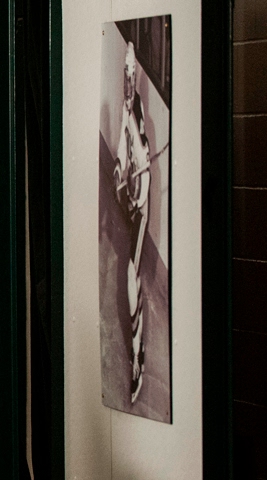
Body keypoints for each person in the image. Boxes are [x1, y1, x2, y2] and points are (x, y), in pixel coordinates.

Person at [114, 42, 151, 403]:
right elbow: (122, 156)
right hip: (130, 201)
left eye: (131, 74)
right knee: (132, 277)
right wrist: (119, 173)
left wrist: (136, 186)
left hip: (141, 206)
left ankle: (137, 357)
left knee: (129, 273)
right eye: (124, 75)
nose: (127, 81)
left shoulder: (136, 109)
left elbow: (142, 157)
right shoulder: (126, 110)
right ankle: (138, 345)